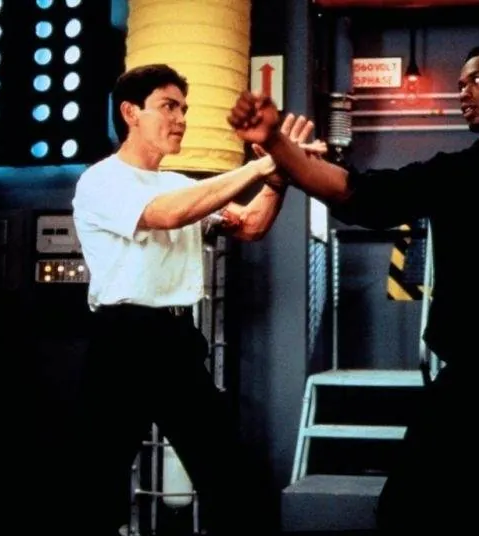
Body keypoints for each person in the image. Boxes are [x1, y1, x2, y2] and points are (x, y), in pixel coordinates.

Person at [227, 43, 479, 530]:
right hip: (471, 383)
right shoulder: (452, 174)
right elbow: (356, 193)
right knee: (406, 512)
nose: (462, 93)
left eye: (476, 80)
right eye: (459, 85)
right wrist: (276, 142)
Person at [63, 63, 325, 536]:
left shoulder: (180, 184)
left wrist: (278, 178)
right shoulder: (101, 181)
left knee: (228, 474)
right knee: (94, 488)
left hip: (175, 339)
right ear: (130, 113)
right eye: (168, 107)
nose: (181, 119)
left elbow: (251, 225)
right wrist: (260, 164)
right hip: (122, 342)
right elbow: (166, 215)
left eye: (184, 109)